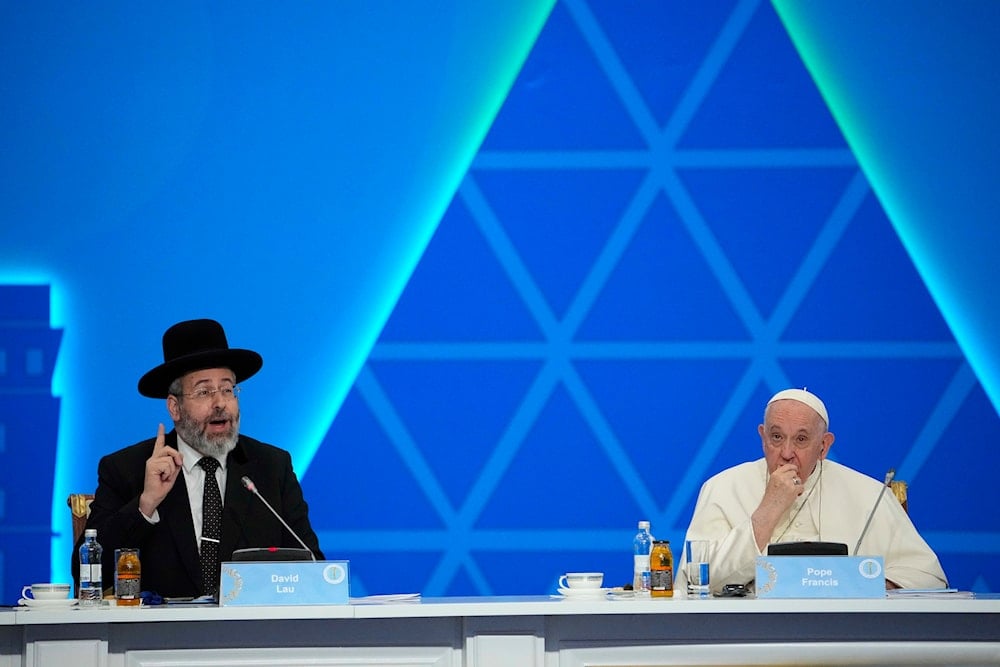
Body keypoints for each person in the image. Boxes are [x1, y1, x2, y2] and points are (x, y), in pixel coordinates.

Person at [72, 318, 324, 599]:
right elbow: (86, 574)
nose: (220, 403)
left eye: (227, 389)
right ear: (174, 407)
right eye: (204, 391)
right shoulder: (127, 469)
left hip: (252, 636)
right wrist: (146, 505)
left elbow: (311, 566)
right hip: (156, 638)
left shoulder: (271, 467)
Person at [678, 388, 946, 593]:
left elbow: (928, 577)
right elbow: (699, 583)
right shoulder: (723, 487)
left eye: (802, 440)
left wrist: (859, 586)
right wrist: (770, 508)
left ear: (824, 446)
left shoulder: (868, 493)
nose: (786, 453)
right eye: (776, 437)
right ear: (762, 436)